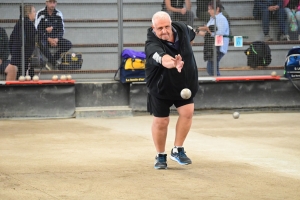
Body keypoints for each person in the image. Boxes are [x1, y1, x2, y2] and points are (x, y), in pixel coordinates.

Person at [145, 11, 199, 169]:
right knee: (162, 121)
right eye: (159, 28)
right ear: (153, 28)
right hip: (161, 87)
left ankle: (178, 149)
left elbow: (192, 34)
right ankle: (160, 156)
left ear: (171, 24)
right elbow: (163, 59)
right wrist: (174, 63)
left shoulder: (181, 29)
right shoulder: (152, 45)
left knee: (187, 112)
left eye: (166, 27)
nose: (164, 31)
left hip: (184, 83)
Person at [35, 0, 72, 69]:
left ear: (56, 3)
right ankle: (54, 62)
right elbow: (37, 30)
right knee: (41, 43)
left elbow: (62, 30)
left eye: (54, 2)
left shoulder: (59, 13)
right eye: (50, 2)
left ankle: (51, 61)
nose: (52, 4)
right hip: (44, 39)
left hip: (55, 39)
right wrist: (48, 37)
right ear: (46, 2)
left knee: (68, 44)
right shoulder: (40, 13)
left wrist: (56, 39)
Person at [197, 0, 229, 76]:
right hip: (211, 47)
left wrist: (208, 30)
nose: (208, 11)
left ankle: (220, 84)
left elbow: (219, 34)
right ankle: (219, 84)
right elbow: (208, 34)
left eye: (210, 9)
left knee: (212, 68)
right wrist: (197, 32)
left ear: (217, 9)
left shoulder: (221, 19)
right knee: (211, 69)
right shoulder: (212, 19)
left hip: (218, 48)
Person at [7, 4, 36, 79]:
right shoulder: (29, 25)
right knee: (29, 78)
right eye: (34, 11)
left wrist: (13, 53)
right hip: (26, 58)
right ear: (28, 13)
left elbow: (11, 40)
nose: (35, 13)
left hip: (17, 58)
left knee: (19, 78)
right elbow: (36, 39)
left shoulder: (18, 24)